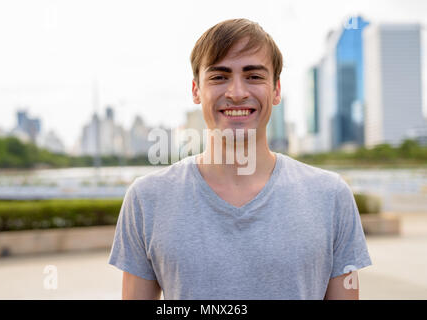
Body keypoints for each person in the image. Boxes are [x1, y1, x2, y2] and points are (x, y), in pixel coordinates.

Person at [108, 18, 372, 300]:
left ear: (276, 90)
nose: (236, 93)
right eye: (219, 77)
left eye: (254, 76)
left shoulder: (331, 196)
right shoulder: (146, 199)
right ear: (196, 90)